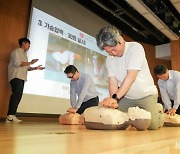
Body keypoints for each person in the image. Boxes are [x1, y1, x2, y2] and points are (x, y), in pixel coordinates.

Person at [96, 25, 164, 130]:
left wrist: (114, 98)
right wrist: (113, 101)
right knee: (118, 122)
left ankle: (158, 111)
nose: (112, 54)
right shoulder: (110, 59)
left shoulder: (135, 48)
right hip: (126, 97)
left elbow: (131, 76)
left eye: (113, 50)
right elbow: (112, 82)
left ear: (120, 40)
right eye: (109, 52)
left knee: (152, 126)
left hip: (146, 95)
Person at [6, 38, 45, 123]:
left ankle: (12, 115)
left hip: (22, 77)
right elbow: (17, 63)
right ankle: (10, 116)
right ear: (23, 43)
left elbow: (27, 68)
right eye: (28, 44)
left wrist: (35, 68)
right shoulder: (17, 51)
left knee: (18, 96)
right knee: (16, 95)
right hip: (16, 76)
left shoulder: (25, 55)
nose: (29, 46)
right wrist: (30, 62)